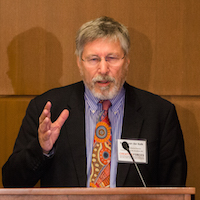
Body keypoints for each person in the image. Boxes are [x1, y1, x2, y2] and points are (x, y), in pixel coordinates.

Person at [2, 16, 187, 188]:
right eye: (93, 59)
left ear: (127, 60)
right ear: (79, 63)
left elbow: (175, 187)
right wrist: (41, 149)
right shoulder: (47, 110)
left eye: (112, 58)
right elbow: (12, 183)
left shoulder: (159, 114)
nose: (103, 69)